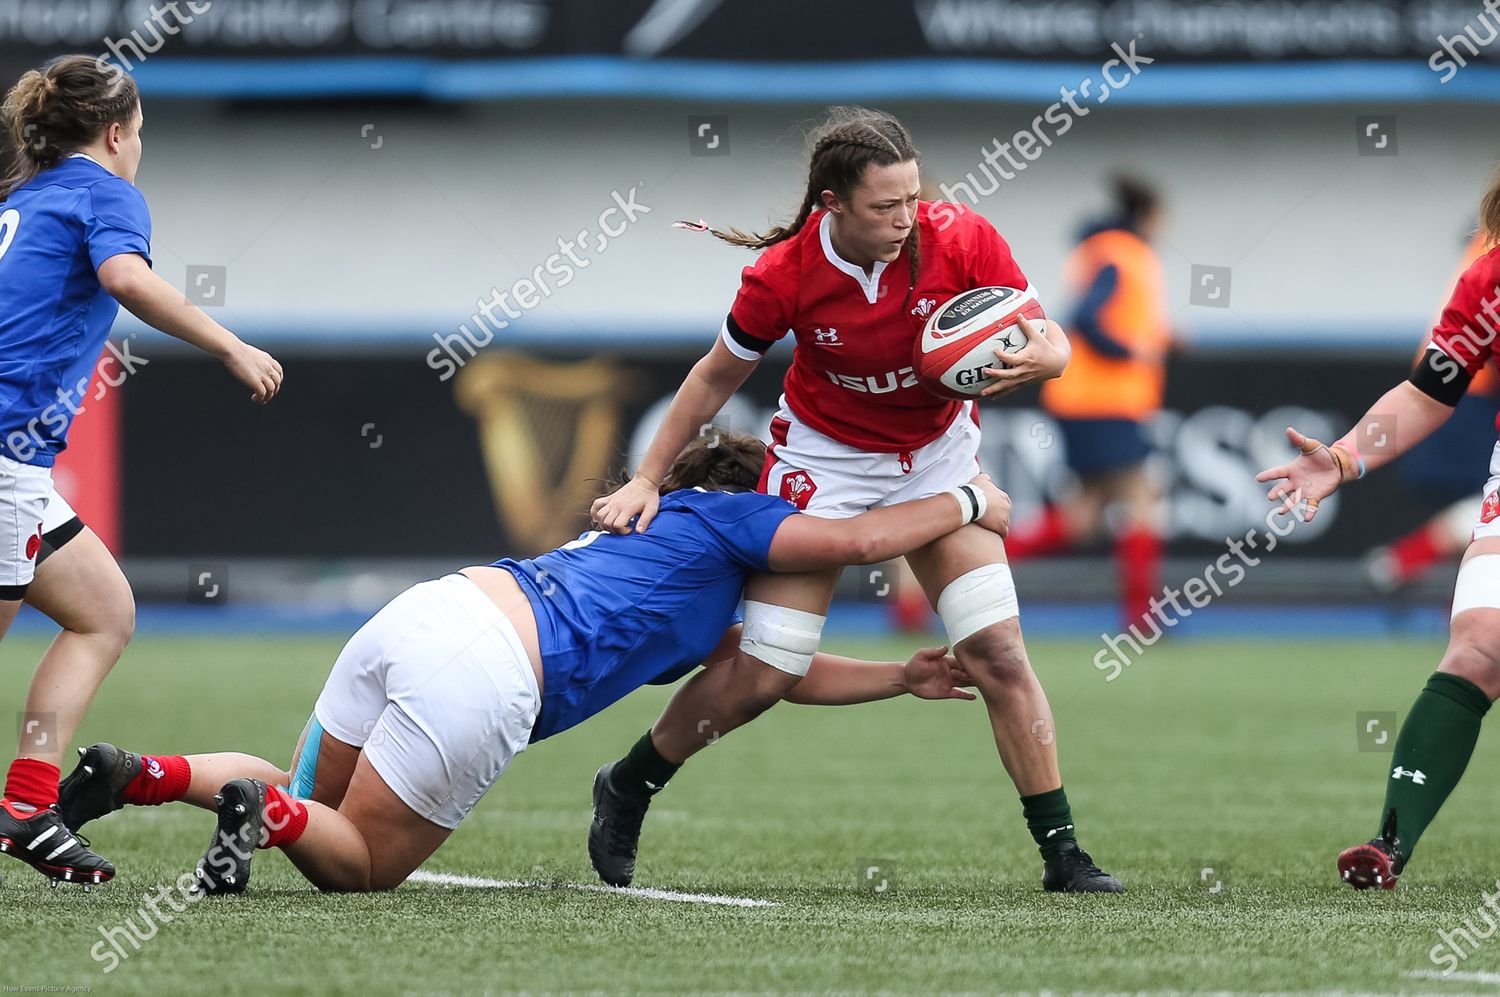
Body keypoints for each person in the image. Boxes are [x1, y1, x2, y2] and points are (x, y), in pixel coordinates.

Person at [56, 432, 1008, 894]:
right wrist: (968, 499)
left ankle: (147, 774)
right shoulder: (735, 518)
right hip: (493, 670)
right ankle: (263, 811)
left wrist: (900, 674)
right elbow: (864, 536)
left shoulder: (664, 542)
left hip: (433, 609)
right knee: (364, 864)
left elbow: (774, 671)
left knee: (316, 803)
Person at [589, 106, 1122, 893]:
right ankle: (628, 782)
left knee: (999, 654)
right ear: (833, 203)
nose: (907, 219)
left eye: (912, 199)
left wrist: (1048, 360)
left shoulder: (962, 236)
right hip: (824, 459)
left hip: (939, 457)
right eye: (885, 206)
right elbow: (712, 377)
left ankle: (1063, 853)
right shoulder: (783, 275)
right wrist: (642, 477)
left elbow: (1049, 335)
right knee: (767, 670)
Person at [0, 55, 283, 887]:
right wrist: (231, 345)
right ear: (117, 132)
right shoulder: (102, 189)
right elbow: (125, 276)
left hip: (17, 465)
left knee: (104, 610)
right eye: (142, 133)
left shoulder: (22, 199)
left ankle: (25, 802)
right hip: (5, 455)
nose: (140, 149)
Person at [1254, 171, 1500, 889]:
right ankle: (1389, 843)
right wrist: (1343, 459)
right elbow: (1428, 393)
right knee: (1480, 645)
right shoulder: (1489, 277)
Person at [1003, 176, 1174, 631]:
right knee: (1142, 501)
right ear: (1146, 214)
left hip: (1088, 400)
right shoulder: (1122, 253)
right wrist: (1130, 351)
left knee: (1082, 517)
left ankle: (973, 570)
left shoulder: (1103, 250)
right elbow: (1087, 318)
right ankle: (1142, 620)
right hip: (1104, 402)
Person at [1365, 229, 1500, 595]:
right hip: (1468, 383)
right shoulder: (1490, 253)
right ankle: (1405, 561)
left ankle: (1412, 565)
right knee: (1490, 501)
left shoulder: (1484, 245)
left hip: (1459, 376)